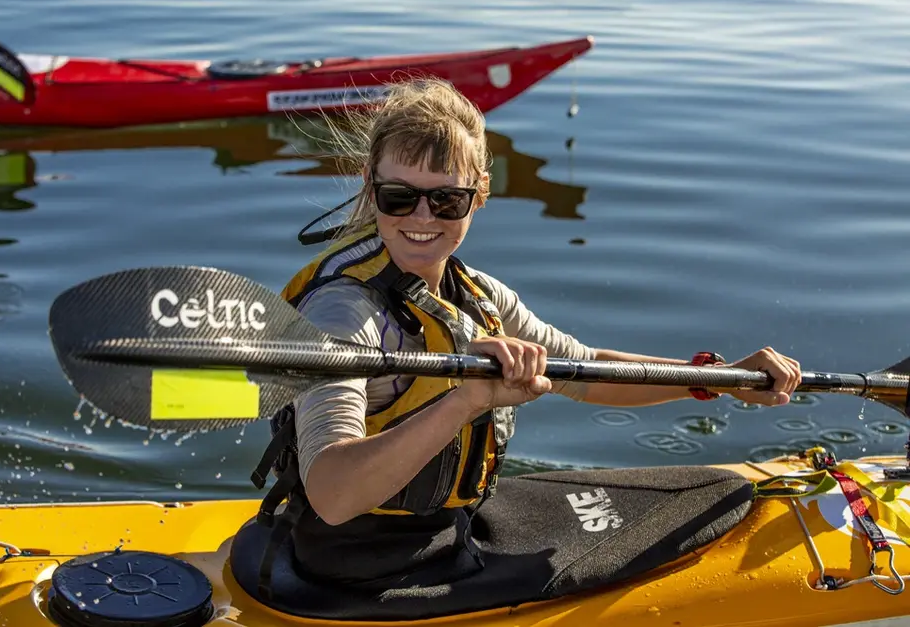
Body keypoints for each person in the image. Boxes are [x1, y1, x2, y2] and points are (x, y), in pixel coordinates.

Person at [241, 77, 802, 604]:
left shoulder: (477, 295)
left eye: (446, 202)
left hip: (442, 532)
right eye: (398, 197)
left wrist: (718, 380)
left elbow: (583, 371)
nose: (421, 217)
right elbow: (333, 495)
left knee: (707, 496)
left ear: (480, 194)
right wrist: (467, 398)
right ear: (371, 186)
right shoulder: (342, 314)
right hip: (359, 564)